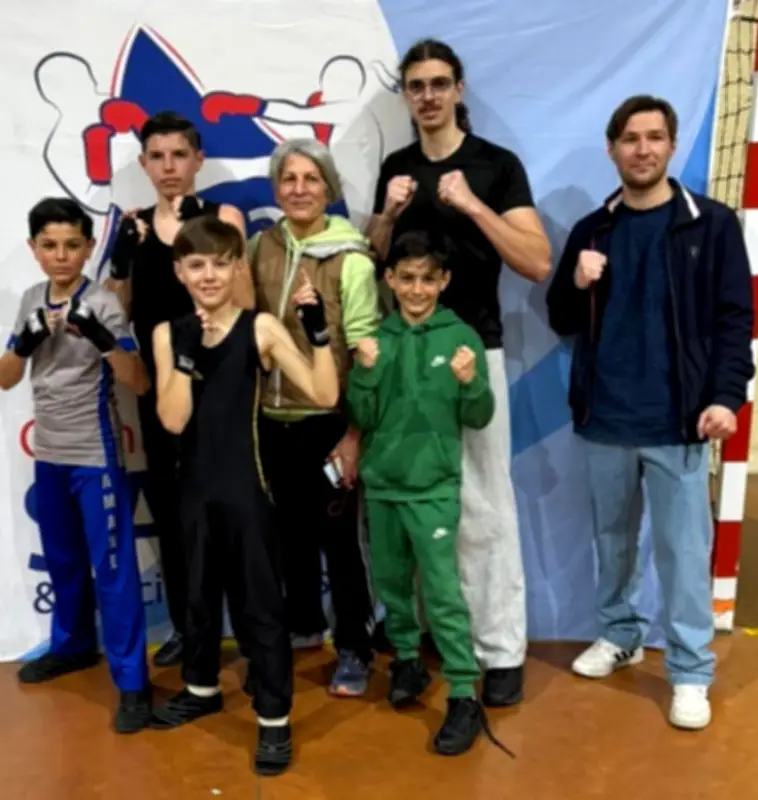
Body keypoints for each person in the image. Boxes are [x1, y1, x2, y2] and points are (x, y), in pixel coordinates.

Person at [545, 95, 754, 730]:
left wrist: (725, 396)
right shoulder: (591, 229)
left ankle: (691, 671)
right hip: (605, 418)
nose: (643, 149)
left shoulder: (709, 224)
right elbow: (559, 317)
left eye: (654, 137)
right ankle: (620, 634)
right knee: (610, 543)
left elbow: (734, 320)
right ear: (613, 149)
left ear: (670, 145)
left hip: (678, 422)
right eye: (630, 138)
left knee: (683, 554)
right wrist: (575, 282)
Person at [366, 39, 552, 707]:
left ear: (459, 89)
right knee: (413, 507)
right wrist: (386, 213)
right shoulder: (396, 167)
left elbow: (535, 261)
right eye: (415, 85)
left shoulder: (494, 167)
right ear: (405, 95)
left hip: (475, 352)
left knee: (483, 509)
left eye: (438, 83)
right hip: (401, 360)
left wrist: (472, 206)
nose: (428, 95)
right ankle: (430, 647)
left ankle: (499, 651)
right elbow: (371, 263)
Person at [149, 214, 340, 775]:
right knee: (198, 599)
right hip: (194, 489)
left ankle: (274, 720)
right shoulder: (168, 333)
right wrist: (184, 355)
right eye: (196, 265)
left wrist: (319, 333)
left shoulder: (259, 328)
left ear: (237, 266)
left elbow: (325, 393)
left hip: (247, 488)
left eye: (219, 263)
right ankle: (203, 688)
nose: (209, 275)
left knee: (259, 605)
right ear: (180, 271)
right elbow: (173, 419)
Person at [105, 111, 253, 668]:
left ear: (196, 160)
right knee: (173, 512)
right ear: (144, 164)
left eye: (178, 155)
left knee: (229, 508)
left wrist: (199, 239)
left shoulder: (224, 216)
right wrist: (122, 258)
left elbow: (249, 303)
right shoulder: (133, 223)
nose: (168, 167)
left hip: (220, 388)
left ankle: (242, 626)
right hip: (162, 387)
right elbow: (117, 314)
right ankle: (192, 629)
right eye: (157, 157)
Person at [0, 198, 151, 733]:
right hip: (50, 454)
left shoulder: (105, 303)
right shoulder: (29, 299)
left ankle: (133, 683)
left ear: (88, 248)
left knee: (112, 570)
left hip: (95, 455)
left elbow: (138, 381)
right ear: (34, 250)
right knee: (63, 560)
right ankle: (73, 646)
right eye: (50, 245)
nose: (61, 256)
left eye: (72, 245)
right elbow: (5, 377)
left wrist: (105, 340)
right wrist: (24, 340)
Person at [347, 230, 494, 755]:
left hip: (433, 488)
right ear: (389, 280)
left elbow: (479, 416)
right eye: (405, 278)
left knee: (441, 590)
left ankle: (461, 692)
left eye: (427, 279)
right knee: (390, 581)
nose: (416, 289)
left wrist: (472, 380)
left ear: (443, 281)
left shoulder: (461, 338)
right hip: (383, 486)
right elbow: (361, 415)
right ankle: (407, 659)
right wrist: (363, 374)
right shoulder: (376, 341)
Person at [249, 138, 378, 696]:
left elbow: (367, 354)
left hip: (327, 423)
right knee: (283, 535)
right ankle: (303, 626)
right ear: (276, 188)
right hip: (268, 420)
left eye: (311, 178)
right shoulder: (260, 245)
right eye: (289, 179)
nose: (299, 189)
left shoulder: (351, 259)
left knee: (339, 541)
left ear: (328, 187)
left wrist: (353, 433)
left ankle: (354, 646)